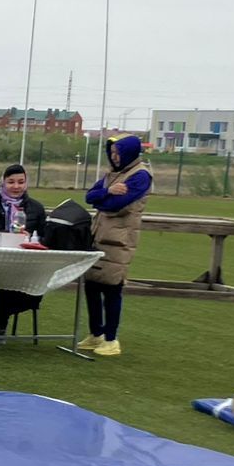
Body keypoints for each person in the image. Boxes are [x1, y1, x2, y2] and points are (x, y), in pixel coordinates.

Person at [80, 135, 153, 357]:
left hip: (120, 240)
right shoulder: (111, 176)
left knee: (112, 289)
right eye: (111, 153)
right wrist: (107, 192)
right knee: (91, 285)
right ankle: (96, 334)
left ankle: (111, 339)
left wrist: (104, 198)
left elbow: (116, 205)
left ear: (129, 152)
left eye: (117, 153)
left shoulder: (141, 176)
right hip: (98, 236)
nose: (114, 157)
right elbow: (90, 196)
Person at [0, 163, 49, 340]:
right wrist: (5, 235)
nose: (16, 186)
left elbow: (46, 237)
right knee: (6, 284)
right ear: (3, 182)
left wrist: (31, 237)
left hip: (27, 263)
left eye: (21, 182)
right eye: (11, 182)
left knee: (34, 292)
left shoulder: (36, 208)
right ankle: (0, 323)